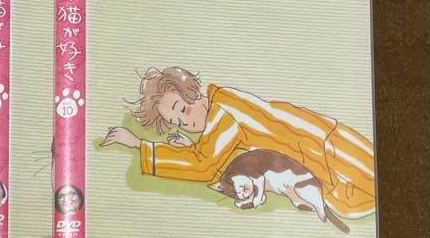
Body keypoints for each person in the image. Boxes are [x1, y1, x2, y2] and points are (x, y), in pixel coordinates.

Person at [100, 67, 375, 220]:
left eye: (182, 110)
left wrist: (138, 144)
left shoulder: (222, 113)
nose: (187, 122)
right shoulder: (224, 102)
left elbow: (203, 165)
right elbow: (223, 157)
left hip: (335, 162)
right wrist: (188, 146)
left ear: (191, 91)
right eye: (178, 122)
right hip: (331, 148)